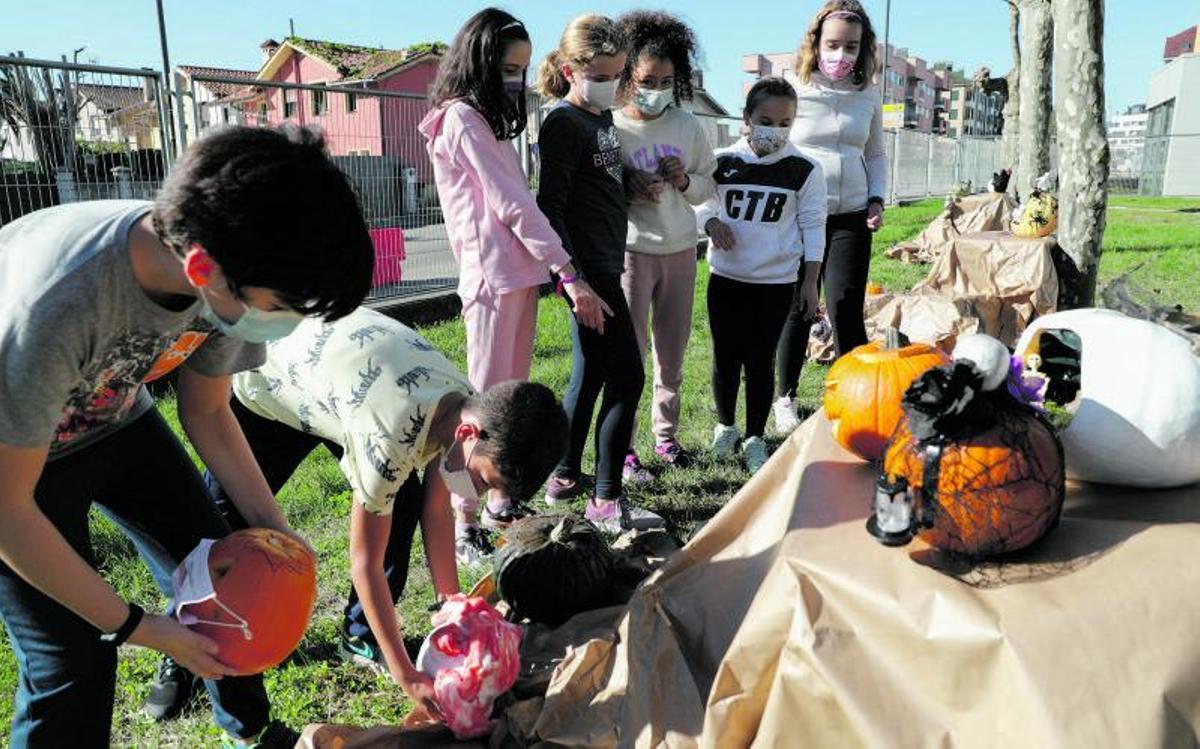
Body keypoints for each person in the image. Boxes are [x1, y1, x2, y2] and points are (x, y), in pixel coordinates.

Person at [0, 125, 374, 748]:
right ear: (203, 269)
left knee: (233, 578)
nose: (286, 324)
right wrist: (136, 627)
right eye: (284, 305)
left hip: (114, 412)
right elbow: (8, 514)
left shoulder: (229, 264)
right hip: (15, 459)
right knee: (74, 659)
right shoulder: (55, 307)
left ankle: (251, 733)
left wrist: (274, 534)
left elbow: (209, 414)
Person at [135, 307, 567, 724]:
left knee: (400, 504)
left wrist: (453, 608)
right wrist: (406, 675)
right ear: (467, 434)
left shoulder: (463, 405)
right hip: (271, 384)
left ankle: (360, 637)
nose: (476, 492)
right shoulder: (391, 434)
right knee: (215, 532)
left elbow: (435, 507)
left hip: (341, 393)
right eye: (483, 479)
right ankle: (179, 646)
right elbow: (365, 563)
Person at [420, 8, 611, 563]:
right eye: (507, 67)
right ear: (477, 61)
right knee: (480, 410)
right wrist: (568, 272)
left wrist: (550, 267)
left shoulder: (484, 117)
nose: (515, 80)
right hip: (493, 280)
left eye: (522, 69)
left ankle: (494, 501)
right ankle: (462, 523)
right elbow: (513, 203)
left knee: (504, 404)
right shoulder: (460, 119)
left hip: (518, 275)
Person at [535, 14, 661, 532]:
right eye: (604, 75)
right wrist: (576, 281)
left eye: (618, 74)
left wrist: (634, 180)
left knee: (588, 376)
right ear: (571, 70)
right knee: (628, 377)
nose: (614, 84)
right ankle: (606, 500)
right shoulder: (564, 123)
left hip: (606, 261)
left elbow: (598, 180)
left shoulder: (600, 119)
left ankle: (563, 474)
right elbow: (553, 206)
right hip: (590, 275)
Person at [698, 78, 827, 474]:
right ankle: (726, 426)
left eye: (785, 122)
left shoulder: (804, 169)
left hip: (775, 284)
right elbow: (700, 204)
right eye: (766, 120)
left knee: (759, 361)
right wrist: (711, 223)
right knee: (724, 358)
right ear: (747, 119)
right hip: (727, 278)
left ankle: (755, 436)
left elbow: (813, 226)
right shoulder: (721, 162)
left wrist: (809, 281)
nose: (776, 129)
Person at [773, 0, 887, 435]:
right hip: (803, 217)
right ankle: (785, 398)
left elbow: (874, 154)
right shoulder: (793, 88)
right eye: (834, 44)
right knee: (799, 306)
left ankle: (851, 397)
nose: (842, 55)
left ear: (863, 49)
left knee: (845, 307)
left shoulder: (868, 94)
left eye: (852, 47)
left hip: (852, 216)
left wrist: (876, 198)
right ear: (816, 43)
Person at [612, 11, 716, 482]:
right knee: (630, 354)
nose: (656, 88)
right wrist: (625, 184)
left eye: (667, 80)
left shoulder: (688, 126)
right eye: (646, 80)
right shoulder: (610, 126)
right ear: (627, 75)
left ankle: (666, 436)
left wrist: (684, 179)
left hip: (679, 250)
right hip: (631, 254)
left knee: (671, 351)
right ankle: (626, 446)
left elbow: (706, 189)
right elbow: (596, 191)